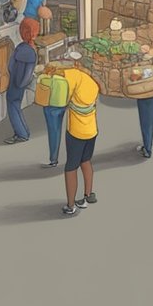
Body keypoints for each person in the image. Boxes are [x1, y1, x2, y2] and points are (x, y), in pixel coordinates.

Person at [59, 53, 100, 216]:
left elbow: (61, 79)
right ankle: (88, 195)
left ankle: (71, 205)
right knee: (86, 161)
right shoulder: (94, 83)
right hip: (91, 130)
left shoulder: (76, 75)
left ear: (77, 64)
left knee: (70, 168)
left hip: (76, 131)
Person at [5, 18, 39, 144]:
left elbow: (11, 66)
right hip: (20, 84)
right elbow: (28, 72)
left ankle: (21, 134)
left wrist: (18, 82)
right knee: (17, 107)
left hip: (15, 83)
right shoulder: (32, 49)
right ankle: (24, 132)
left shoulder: (22, 49)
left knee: (13, 108)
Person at [41, 64, 68, 169]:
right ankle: (55, 157)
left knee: (52, 132)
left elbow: (40, 82)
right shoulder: (64, 81)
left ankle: (53, 159)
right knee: (58, 130)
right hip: (61, 107)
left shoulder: (47, 80)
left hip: (50, 108)